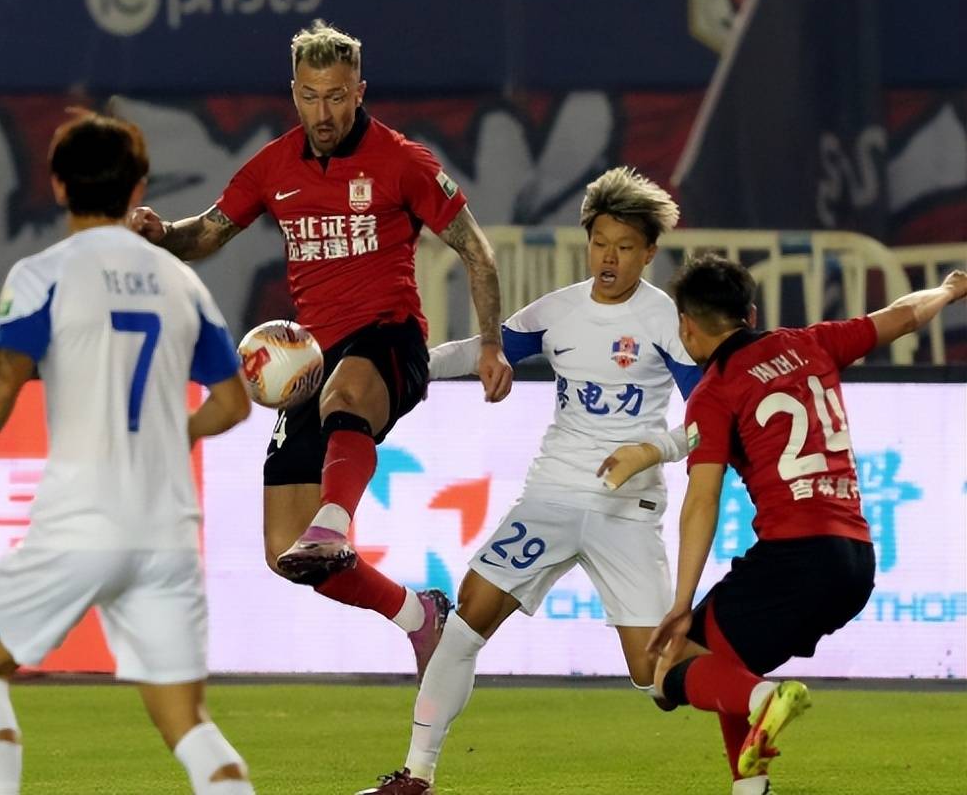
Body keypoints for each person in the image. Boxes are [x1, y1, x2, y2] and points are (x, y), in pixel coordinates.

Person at [0, 111, 257, 795]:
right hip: (168, 532)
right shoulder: (182, 283)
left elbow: (3, 381)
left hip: (81, 524)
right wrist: (178, 433)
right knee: (189, 725)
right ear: (138, 186)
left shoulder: (43, 275)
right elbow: (234, 403)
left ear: (58, 185)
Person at [130, 20, 513, 679]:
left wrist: (491, 343)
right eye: (310, 96)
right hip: (313, 359)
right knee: (286, 551)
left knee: (345, 399)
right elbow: (209, 234)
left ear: (359, 91)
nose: (324, 112)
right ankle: (417, 616)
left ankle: (334, 520)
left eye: (337, 96)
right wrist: (163, 234)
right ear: (294, 93)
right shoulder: (273, 166)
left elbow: (475, 250)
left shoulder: (403, 161)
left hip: (390, 340)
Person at [357, 167, 705, 794]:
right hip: (551, 497)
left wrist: (654, 449)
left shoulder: (666, 322)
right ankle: (417, 774)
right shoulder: (560, 312)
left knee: (653, 675)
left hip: (626, 509)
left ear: (650, 252)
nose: (609, 258)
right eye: (600, 243)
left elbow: (709, 417)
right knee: (466, 617)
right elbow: (483, 350)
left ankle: (748, 690)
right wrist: (400, 372)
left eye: (625, 247)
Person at [645, 256, 967, 795]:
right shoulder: (811, 342)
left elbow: (702, 500)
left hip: (795, 556)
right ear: (750, 314)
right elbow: (904, 315)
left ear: (686, 325)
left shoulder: (713, 391)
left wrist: (681, 603)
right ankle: (750, 787)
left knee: (671, 667)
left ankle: (764, 699)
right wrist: (949, 290)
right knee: (726, 661)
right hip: (856, 562)